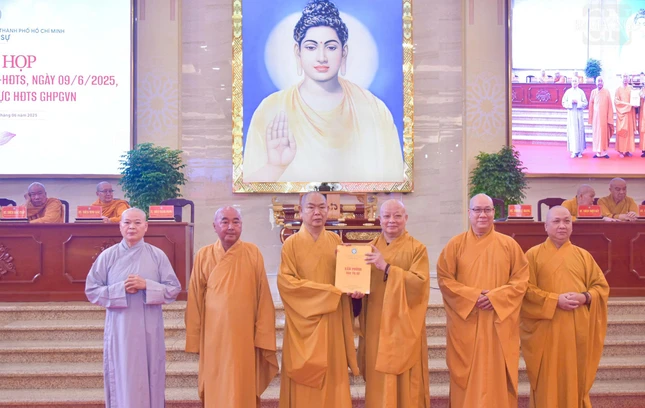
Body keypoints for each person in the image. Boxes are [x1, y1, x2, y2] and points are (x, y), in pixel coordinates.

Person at [243, 0, 404, 183]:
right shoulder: (271, 109)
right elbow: (247, 186)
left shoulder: (374, 110)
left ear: (344, 53)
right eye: (311, 47)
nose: (321, 57)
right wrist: (274, 167)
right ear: (298, 52)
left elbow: (394, 184)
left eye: (331, 47)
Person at [436, 193, 529, 408]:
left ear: (494, 213)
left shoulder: (509, 245)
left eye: (487, 210)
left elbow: (521, 280)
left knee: (496, 375)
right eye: (477, 210)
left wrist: (496, 297)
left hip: (499, 322)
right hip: (467, 322)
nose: (482, 215)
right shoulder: (455, 245)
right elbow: (444, 279)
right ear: (469, 213)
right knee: (467, 376)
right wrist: (473, 296)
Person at [85, 208, 181, 408]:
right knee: (123, 374)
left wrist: (147, 286)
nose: (132, 227)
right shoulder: (108, 256)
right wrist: (120, 289)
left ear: (146, 226)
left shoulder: (157, 255)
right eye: (127, 222)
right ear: (120, 226)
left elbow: (173, 289)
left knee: (151, 372)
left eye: (137, 223)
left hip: (149, 328)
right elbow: (92, 290)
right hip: (120, 329)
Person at [185, 206, 278, 407]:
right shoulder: (203, 255)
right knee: (216, 379)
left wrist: (263, 334)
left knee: (242, 381)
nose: (230, 227)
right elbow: (195, 298)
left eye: (236, 222)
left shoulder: (253, 253)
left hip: (245, 335)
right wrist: (194, 336)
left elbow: (263, 296)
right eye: (225, 221)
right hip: (213, 334)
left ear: (241, 225)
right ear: (214, 226)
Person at [521, 206, 609, 408]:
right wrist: (555, 300)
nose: (562, 226)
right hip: (546, 330)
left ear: (572, 225)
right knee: (547, 380)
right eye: (556, 221)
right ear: (545, 226)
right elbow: (525, 290)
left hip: (577, 328)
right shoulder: (532, 255)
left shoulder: (583, 256)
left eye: (567, 221)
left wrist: (584, 297)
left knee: (575, 376)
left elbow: (601, 288)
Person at [278, 192, 359, 408]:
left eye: (322, 207)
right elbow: (287, 284)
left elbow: (347, 277)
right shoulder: (291, 245)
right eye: (311, 207)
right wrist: (329, 293)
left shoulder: (335, 241)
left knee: (333, 373)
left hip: (332, 320)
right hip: (303, 323)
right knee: (304, 378)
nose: (317, 212)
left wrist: (355, 289)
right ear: (301, 211)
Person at [357, 199, 430, 407]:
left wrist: (387, 268)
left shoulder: (417, 249)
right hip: (376, 323)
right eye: (387, 216)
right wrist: (355, 292)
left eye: (397, 216)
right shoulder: (368, 249)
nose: (392, 220)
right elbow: (360, 283)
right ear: (379, 219)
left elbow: (420, 284)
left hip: (403, 323)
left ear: (405, 218)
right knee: (377, 377)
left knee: (405, 377)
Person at [562, 77, 588, 158]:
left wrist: (578, 102)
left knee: (579, 131)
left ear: (578, 82)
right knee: (572, 132)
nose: (574, 82)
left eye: (575, 81)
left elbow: (585, 103)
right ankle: (573, 151)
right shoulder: (568, 92)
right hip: (571, 114)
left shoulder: (581, 92)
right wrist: (570, 102)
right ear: (571, 82)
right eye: (573, 81)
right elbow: (563, 102)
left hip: (579, 114)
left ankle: (579, 151)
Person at [588, 76, 614, 159]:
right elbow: (591, 105)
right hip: (596, 118)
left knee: (604, 134)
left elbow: (610, 105)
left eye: (601, 81)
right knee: (596, 134)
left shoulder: (607, 92)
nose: (599, 82)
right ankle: (598, 152)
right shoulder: (593, 92)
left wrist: (609, 117)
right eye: (598, 81)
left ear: (603, 82)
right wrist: (591, 117)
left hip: (604, 117)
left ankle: (604, 152)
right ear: (596, 82)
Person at [614, 73, 637, 157]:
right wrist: (628, 105)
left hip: (630, 113)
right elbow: (616, 102)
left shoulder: (631, 89)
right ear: (621, 78)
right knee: (622, 131)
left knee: (629, 132)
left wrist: (635, 104)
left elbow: (635, 99)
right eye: (624, 77)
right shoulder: (618, 89)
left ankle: (627, 150)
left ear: (629, 79)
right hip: (622, 114)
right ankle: (621, 151)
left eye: (627, 77)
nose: (625, 78)